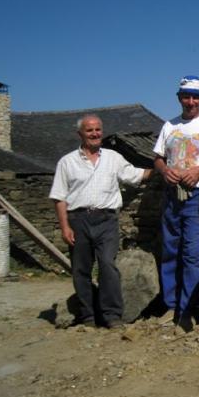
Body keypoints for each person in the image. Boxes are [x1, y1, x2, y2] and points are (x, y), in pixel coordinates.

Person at [50, 114, 152, 328]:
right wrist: (65, 227)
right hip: (78, 219)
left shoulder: (113, 158)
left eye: (98, 129)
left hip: (107, 220)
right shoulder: (67, 162)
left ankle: (112, 316)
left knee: (107, 264)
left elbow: (135, 174)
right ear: (80, 134)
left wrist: (163, 168)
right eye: (89, 130)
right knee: (81, 269)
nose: (95, 134)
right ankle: (87, 316)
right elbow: (59, 197)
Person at [153, 75, 199, 328]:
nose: (191, 102)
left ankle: (189, 307)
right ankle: (171, 306)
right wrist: (164, 170)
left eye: (195, 97)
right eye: (186, 97)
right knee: (170, 250)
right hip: (172, 196)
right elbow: (158, 157)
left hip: (195, 196)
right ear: (179, 98)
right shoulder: (169, 126)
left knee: (193, 252)